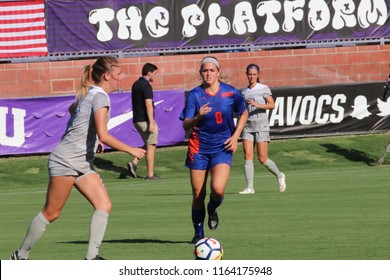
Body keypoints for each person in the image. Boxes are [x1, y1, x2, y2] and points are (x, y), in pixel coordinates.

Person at [10, 57, 146, 260]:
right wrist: (132, 150)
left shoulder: (90, 92)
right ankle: (20, 256)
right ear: (107, 76)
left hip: (81, 162)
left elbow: (73, 112)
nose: (121, 78)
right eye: (119, 75)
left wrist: (91, 138)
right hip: (66, 160)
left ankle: (91, 258)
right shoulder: (100, 97)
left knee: (104, 205)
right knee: (51, 213)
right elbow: (105, 135)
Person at [180, 56, 248, 244]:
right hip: (199, 147)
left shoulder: (231, 93)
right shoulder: (195, 95)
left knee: (217, 190)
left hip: (222, 147)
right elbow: (186, 124)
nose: (208, 73)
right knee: (197, 194)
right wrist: (197, 116)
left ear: (218, 72)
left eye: (211, 70)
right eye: (204, 70)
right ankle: (198, 233)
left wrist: (236, 137)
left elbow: (244, 112)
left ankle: (212, 209)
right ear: (200, 73)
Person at [239, 63, 286, 195]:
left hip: (261, 125)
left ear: (258, 75)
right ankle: (250, 187)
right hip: (248, 127)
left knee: (262, 158)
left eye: (254, 74)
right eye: (250, 74)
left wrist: (257, 105)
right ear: (246, 74)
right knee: (248, 156)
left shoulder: (263, 88)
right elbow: (243, 110)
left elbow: (272, 105)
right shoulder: (244, 91)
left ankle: (279, 175)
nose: (252, 77)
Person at [127, 63, 160, 180]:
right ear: (149, 73)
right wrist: (151, 122)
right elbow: (148, 104)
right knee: (152, 145)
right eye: (155, 73)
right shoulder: (146, 85)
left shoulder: (136, 84)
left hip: (137, 119)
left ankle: (134, 162)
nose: (155, 76)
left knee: (148, 144)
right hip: (145, 120)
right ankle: (150, 174)